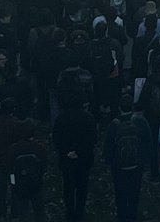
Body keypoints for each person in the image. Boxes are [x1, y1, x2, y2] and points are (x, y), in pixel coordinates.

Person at [104, 92, 154, 222]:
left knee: (120, 193)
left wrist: (109, 162)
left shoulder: (114, 125)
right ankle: (132, 216)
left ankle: (122, 216)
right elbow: (148, 141)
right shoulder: (140, 121)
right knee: (134, 193)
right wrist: (145, 162)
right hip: (136, 165)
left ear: (119, 107)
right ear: (132, 106)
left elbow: (108, 147)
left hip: (118, 166)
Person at [52, 87, 98, 221]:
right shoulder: (88, 118)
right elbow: (92, 138)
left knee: (68, 187)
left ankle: (69, 213)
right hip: (84, 159)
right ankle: (80, 213)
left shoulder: (61, 118)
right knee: (82, 187)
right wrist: (80, 152)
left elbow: (56, 138)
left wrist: (67, 151)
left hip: (67, 159)